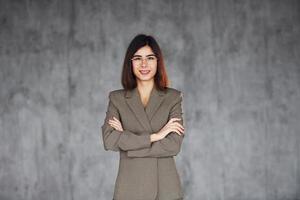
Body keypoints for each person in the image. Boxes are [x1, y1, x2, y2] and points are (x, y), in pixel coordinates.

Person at [101, 34, 185, 200]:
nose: (144, 64)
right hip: (129, 189)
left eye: (150, 58)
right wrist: (156, 136)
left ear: (158, 61)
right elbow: (109, 141)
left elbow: (173, 146)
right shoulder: (117, 99)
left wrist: (128, 144)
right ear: (130, 63)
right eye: (138, 58)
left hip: (165, 189)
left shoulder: (173, 98)